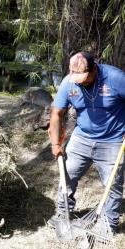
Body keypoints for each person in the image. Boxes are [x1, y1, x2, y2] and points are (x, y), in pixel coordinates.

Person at [48, 52, 125, 233]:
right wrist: (55, 144)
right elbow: (57, 113)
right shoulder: (69, 82)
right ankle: (63, 213)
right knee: (67, 176)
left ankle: (108, 224)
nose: (80, 82)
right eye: (77, 78)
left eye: (84, 78)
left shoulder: (115, 78)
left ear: (95, 68)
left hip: (112, 141)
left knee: (112, 185)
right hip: (81, 138)